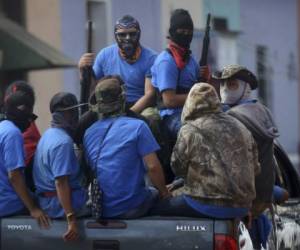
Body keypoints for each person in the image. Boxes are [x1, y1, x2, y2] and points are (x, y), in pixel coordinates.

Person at [150, 82, 260, 219]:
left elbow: (178, 168)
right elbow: (255, 168)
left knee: (153, 208)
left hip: (205, 204)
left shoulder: (189, 130)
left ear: (189, 103)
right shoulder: (240, 126)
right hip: (242, 207)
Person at [84, 76, 170, 219]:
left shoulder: (88, 132)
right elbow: (153, 167)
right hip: (131, 208)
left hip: (100, 209)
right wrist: (164, 193)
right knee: (154, 192)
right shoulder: (138, 126)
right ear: (123, 99)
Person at [214, 64, 280, 249]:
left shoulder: (232, 118)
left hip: (243, 201)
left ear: (246, 88)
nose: (225, 90)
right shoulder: (261, 111)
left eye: (232, 85)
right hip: (260, 197)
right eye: (223, 85)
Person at [33, 92, 89, 241]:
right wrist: (71, 220)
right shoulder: (63, 142)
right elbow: (61, 182)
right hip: (59, 204)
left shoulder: (48, 134)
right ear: (68, 114)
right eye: (73, 112)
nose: (76, 116)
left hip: (48, 201)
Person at [78, 14, 157, 114]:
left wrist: (129, 113)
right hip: (109, 106)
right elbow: (93, 89)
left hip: (139, 107)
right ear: (116, 35)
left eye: (132, 34)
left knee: (151, 116)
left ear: (139, 34)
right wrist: (83, 69)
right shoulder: (105, 55)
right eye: (122, 35)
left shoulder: (151, 58)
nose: (127, 38)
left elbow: (149, 94)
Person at [0, 82, 50, 228]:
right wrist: (33, 209)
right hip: (9, 203)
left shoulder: (2, 128)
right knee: (51, 205)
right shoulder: (13, 134)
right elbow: (14, 176)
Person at [151, 9, 199, 140]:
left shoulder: (190, 58)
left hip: (193, 110)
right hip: (171, 115)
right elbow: (169, 101)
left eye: (189, 32)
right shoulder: (166, 61)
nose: (186, 35)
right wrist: (199, 96)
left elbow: (201, 85)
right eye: (181, 32)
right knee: (192, 136)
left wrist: (207, 79)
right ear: (172, 32)